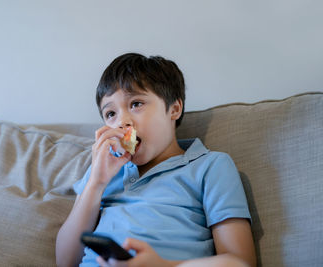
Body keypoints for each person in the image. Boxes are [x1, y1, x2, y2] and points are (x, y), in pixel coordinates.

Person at [56, 53, 256, 267]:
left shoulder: (210, 166)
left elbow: (240, 262)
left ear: (174, 109)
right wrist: (96, 183)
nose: (122, 121)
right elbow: (65, 262)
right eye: (111, 113)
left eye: (136, 103)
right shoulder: (100, 171)